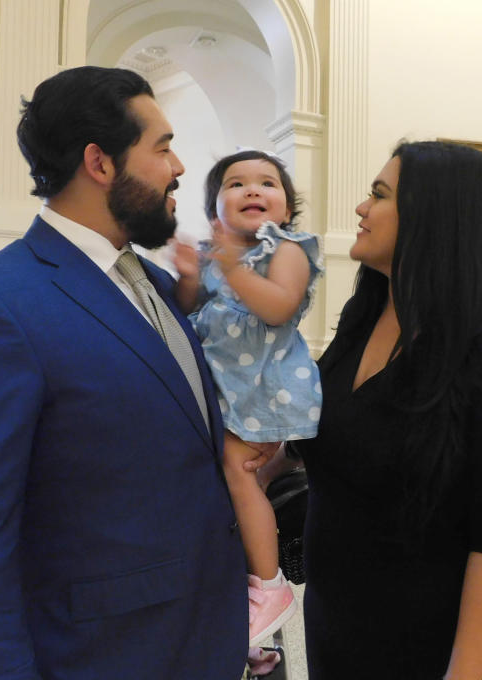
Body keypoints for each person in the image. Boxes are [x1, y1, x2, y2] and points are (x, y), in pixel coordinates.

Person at [0, 66, 251, 679]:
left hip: (201, 637)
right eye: (163, 147)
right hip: (104, 656)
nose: (178, 168)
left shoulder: (158, 284)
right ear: (100, 162)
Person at [262, 141, 482, 679]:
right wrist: (264, 468)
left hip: (432, 643)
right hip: (340, 623)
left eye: (379, 195)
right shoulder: (362, 316)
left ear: (433, 216)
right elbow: (332, 432)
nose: (361, 208)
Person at [173, 149, 323, 646]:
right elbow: (189, 315)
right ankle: (252, 618)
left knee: (239, 474)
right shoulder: (212, 256)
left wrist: (234, 270)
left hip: (264, 387)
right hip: (223, 391)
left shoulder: (286, 249)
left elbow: (279, 307)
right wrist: (191, 279)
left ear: (286, 206)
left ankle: (270, 586)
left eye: (267, 183)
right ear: (215, 207)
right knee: (233, 483)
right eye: (236, 184)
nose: (253, 190)